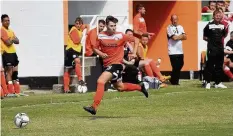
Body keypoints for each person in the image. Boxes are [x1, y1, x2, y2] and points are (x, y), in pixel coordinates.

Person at [83, 16, 148, 115]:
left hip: (117, 64)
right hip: (107, 65)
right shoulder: (100, 36)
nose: (113, 28)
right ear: (106, 26)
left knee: (100, 81)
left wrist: (134, 53)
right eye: (111, 26)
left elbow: (136, 40)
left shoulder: (121, 35)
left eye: (114, 26)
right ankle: (140, 87)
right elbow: (94, 47)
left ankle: (94, 107)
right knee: (120, 87)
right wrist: (100, 54)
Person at [203, 10, 229, 89]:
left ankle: (218, 83)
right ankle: (208, 82)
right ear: (213, 16)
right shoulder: (209, 25)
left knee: (219, 66)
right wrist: (211, 42)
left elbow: (224, 35)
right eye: (216, 15)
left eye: (219, 15)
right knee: (210, 66)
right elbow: (204, 37)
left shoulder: (222, 26)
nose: (218, 17)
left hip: (220, 49)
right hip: (211, 49)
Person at [63, 17, 87, 93]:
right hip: (70, 50)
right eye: (77, 23)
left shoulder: (79, 29)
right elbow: (76, 41)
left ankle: (67, 89)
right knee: (77, 61)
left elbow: (87, 26)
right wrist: (83, 34)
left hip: (75, 51)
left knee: (69, 69)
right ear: (74, 24)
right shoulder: (73, 30)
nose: (78, 25)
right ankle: (79, 80)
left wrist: (86, 29)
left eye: (80, 24)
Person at [1, 14, 20, 96]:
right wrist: (12, 39)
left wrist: (11, 39)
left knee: (15, 70)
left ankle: (17, 90)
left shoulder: (11, 30)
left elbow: (18, 41)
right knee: (8, 71)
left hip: (13, 52)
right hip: (6, 53)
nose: (7, 22)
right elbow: (8, 43)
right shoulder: (2, 30)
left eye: (8, 20)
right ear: (2, 22)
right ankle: (10, 91)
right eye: (5, 20)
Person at [167, 14, 187, 85]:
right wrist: (180, 36)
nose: (175, 21)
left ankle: (171, 78)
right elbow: (174, 38)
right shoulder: (169, 27)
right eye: (173, 19)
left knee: (181, 64)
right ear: (171, 20)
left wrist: (178, 36)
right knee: (175, 66)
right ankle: (175, 82)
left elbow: (185, 37)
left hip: (180, 50)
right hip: (172, 51)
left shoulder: (180, 27)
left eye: (176, 19)